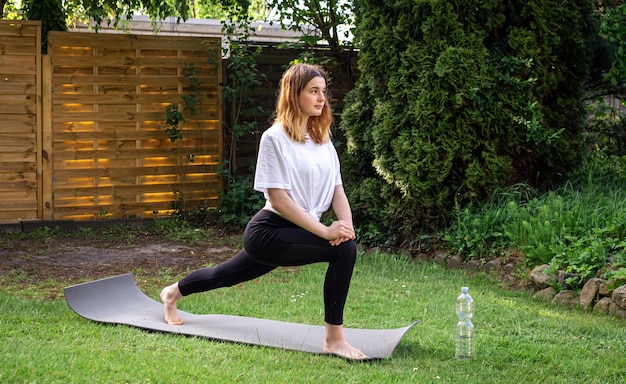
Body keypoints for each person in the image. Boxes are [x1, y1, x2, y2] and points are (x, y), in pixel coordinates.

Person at [160, 63, 367, 360]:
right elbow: (279, 199)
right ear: (294, 95)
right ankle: (334, 340)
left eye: (324, 92)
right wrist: (326, 232)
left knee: (224, 275)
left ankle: (171, 293)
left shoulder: (323, 141)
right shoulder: (274, 138)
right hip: (270, 231)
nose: (322, 98)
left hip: (300, 229)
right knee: (343, 251)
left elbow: (337, 190)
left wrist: (345, 226)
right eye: (313, 91)